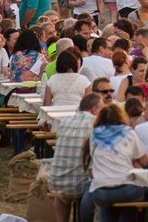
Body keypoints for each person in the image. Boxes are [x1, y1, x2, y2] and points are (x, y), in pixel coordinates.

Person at [79, 102, 148, 222]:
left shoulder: (94, 136)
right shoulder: (129, 133)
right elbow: (145, 161)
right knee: (134, 197)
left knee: (105, 203)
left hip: (101, 192)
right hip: (128, 190)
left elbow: (92, 169)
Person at [48, 92, 103, 222]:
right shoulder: (96, 124)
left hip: (56, 180)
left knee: (62, 196)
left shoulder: (65, 121)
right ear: (95, 109)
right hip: (80, 183)